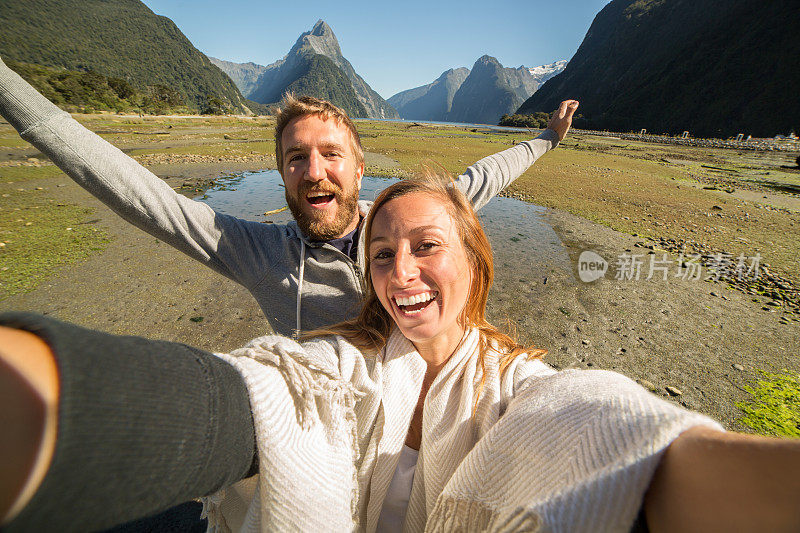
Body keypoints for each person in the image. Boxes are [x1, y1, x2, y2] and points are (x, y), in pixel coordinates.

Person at [2, 177, 799, 532]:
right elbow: (264, 397)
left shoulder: (518, 384)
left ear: (476, 260)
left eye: (426, 247)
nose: (400, 272)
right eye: (381, 254)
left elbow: (600, 425)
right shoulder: (341, 358)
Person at [0, 56, 579, 337]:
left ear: (358, 168)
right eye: (296, 158)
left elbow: (485, 174)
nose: (313, 171)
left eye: (330, 154)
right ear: (281, 175)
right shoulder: (258, 252)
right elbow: (145, 196)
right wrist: (25, 112)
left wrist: (545, 140)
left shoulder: (406, 222)